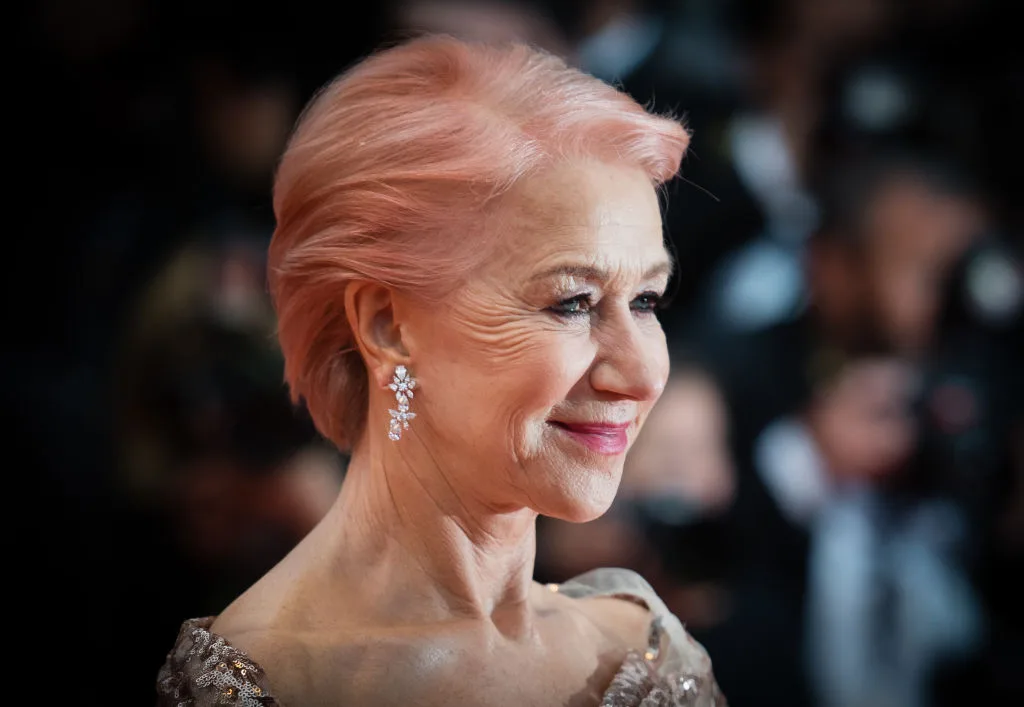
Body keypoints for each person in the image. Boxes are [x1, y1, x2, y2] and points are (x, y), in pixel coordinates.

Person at [156, 35, 725, 706]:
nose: (639, 374)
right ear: (387, 325)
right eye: (572, 301)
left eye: (645, 300)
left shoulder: (648, 647)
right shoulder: (263, 682)